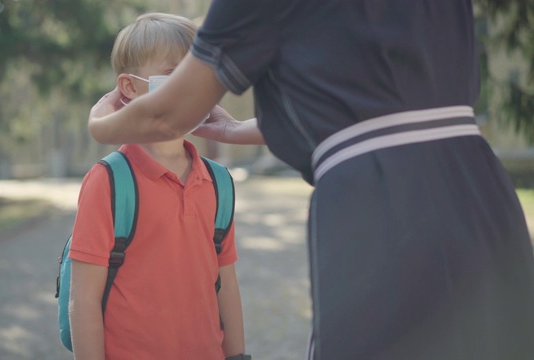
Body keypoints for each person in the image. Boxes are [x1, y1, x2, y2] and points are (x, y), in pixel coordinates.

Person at [87, 2, 534, 360]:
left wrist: (101, 124)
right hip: (477, 184)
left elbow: (168, 112)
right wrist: (233, 130)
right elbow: (375, 103)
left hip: (379, 197)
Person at [68, 13, 248, 360]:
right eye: (172, 74)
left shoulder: (218, 183)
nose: (188, 88)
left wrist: (238, 355)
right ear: (130, 87)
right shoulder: (109, 182)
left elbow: (226, 283)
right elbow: (84, 301)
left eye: (196, 75)